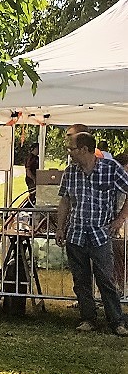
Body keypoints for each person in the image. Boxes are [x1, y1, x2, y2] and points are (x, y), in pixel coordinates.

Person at [56, 131, 128, 336]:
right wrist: (61, 228)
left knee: (105, 278)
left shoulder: (111, 168)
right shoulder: (70, 172)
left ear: (84, 149)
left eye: (71, 148)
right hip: (76, 233)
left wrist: (120, 219)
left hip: (101, 234)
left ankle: (117, 321)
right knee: (80, 279)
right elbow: (65, 201)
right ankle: (88, 318)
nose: (69, 152)